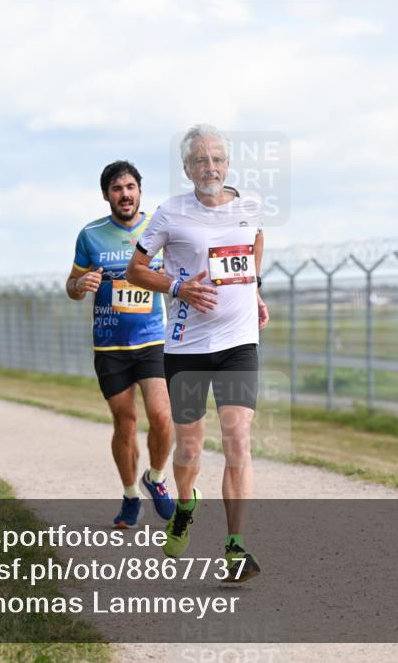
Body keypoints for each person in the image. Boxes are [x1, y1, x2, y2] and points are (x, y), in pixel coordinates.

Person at [126, 124, 269, 583]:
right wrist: (176, 286)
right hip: (186, 347)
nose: (211, 167)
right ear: (187, 168)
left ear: (228, 164)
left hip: (240, 344)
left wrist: (255, 290)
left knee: (237, 440)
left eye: (218, 159)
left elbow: (255, 243)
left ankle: (235, 548)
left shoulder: (249, 207)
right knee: (188, 448)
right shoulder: (170, 214)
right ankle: (186, 505)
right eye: (201, 161)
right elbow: (135, 269)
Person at [67, 160, 175, 529]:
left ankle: (156, 479)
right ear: (106, 195)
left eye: (130, 187)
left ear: (140, 191)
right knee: (125, 423)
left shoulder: (158, 228)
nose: (124, 194)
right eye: (117, 189)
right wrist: (80, 287)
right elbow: (72, 285)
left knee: (162, 416)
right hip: (110, 344)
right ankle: (130, 495)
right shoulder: (90, 234)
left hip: (153, 339)